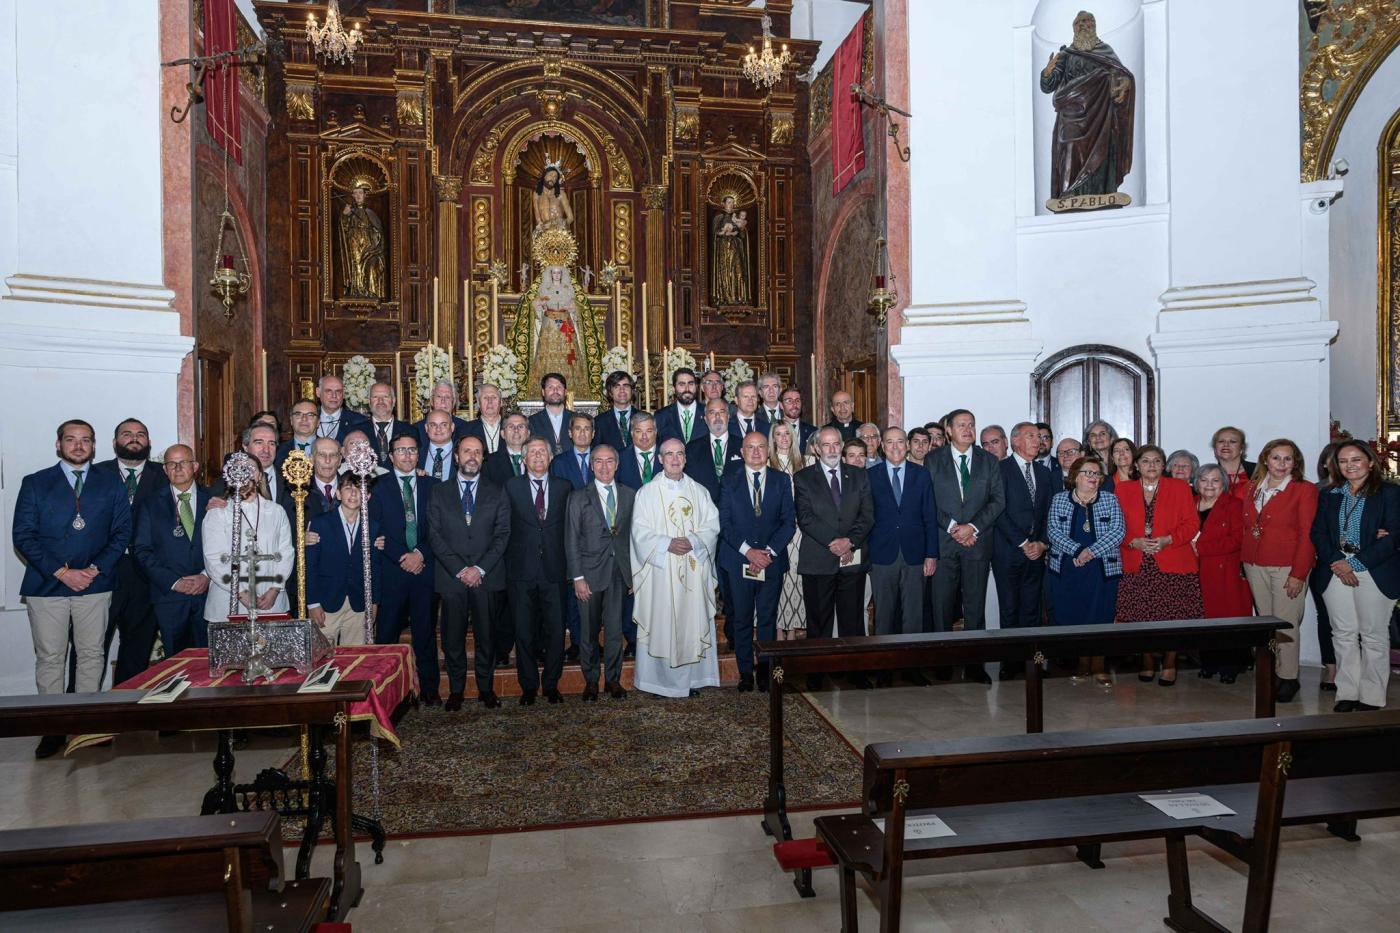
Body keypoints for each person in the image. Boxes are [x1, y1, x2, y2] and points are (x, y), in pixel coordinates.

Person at [14, 420, 131, 757]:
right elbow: (23, 535)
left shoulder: (110, 483)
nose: (78, 446)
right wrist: (62, 572)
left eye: (85, 440)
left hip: (95, 583)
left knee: (92, 654)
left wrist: (93, 569)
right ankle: (52, 726)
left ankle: (87, 723)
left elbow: (122, 532)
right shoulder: (36, 483)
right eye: (71, 440)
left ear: (94, 446)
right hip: (46, 585)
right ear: (58, 444)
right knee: (50, 657)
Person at [1311, 441, 1400, 711]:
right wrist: (1338, 562)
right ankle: (1347, 692)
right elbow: (1318, 533)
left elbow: (1394, 535)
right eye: (1343, 460)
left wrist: (1356, 564)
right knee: (1343, 634)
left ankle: (1372, 696)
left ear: (1370, 462)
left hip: (1374, 569)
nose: (1350, 465)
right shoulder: (1330, 494)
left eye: (1356, 459)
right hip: (1335, 568)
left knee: (1373, 634)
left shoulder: (1389, 493)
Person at [631, 438, 722, 697]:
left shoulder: (699, 492)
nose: (674, 459)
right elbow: (639, 533)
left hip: (693, 570)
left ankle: (691, 681)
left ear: (685, 458)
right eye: (668, 454)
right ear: (659, 459)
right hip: (661, 572)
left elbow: (712, 526)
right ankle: (660, 683)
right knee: (663, 624)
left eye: (679, 454)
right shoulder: (647, 493)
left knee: (691, 622)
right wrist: (667, 543)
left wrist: (693, 541)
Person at [427, 435, 510, 710]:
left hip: (487, 577)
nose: (472, 456)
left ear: (483, 457)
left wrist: (480, 568)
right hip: (452, 578)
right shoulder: (438, 492)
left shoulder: (497, 491)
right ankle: (456, 690)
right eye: (467, 451)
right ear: (456, 457)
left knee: (487, 637)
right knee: (453, 639)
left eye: (477, 451)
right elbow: (435, 535)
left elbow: (502, 535)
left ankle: (486, 689)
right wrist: (462, 569)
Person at [927, 409, 1005, 682]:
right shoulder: (932, 460)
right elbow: (928, 503)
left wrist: (971, 527)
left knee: (975, 605)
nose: (968, 429)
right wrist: (953, 528)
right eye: (961, 425)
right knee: (942, 606)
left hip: (977, 543)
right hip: (944, 543)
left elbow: (998, 501)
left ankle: (974, 664)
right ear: (948, 430)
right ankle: (942, 661)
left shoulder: (988, 461)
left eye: (971, 424)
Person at [1115, 445, 1203, 686]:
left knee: (1173, 617)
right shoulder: (1123, 490)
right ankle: (1147, 661)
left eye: (1156, 461)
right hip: (1138, 563)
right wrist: (1133, 542)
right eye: (1145, 461)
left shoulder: (1180, 487)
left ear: (1164, 466)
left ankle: (1170, 663)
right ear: (1136, 465)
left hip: (1173, 560)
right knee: (1141, 617)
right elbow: (1114, 526)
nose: (1151, 465)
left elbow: (1192, 523)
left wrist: (1168, 539)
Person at [1240, 438, 1317, 702]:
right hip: (1253, 563)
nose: (1281, 464)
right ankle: (1271, 669)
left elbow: (1308, 534)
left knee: (1286, 624)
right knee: (1266, 622)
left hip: (1286, 565)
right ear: (1265, 459)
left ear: (1295, 462)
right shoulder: (1253, 487)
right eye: (1276, 458)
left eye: (1288, 459)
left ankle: (1288, 677)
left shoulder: (1303, 489)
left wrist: (1299, 573)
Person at [718, 432, 795, 691]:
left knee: (767, 619)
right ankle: (744, 674)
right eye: (750, 447)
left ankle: (764, 672)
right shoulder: (729, 481)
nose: (756, 452)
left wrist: (768, 553)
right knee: (741, 619)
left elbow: (788, 523)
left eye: (761, 446)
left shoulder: (782, 480)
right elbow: (724, 523)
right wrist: (749, 552)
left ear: (768, 450)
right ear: (741, 451)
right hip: (738, 561)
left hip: (771, 563)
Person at [93, 418, 168, 682]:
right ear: (115, 443)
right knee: (91, 647)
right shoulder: (95, 474)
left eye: (140, 434)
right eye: (127, 434)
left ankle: (126, 710)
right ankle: (80, 709)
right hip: (103, 573)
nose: (134, 438)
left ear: (148, 442)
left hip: (146, 575)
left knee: (137, 647)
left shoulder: (166, 474)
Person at [794, 428, 874, 671]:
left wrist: (849, 541)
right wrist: (835, 543)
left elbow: (868, 515)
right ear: (817, 449)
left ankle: (853, 670)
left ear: (841, 446)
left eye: (835, 444)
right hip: (818, 560)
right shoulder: (803, 477)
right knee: (819, 623)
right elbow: (805, 518)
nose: (831, 449)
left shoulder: (859, 476)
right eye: (825, 445)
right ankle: (817, 670)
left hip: (852, 559)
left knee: (852, 620)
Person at [370, 431, 440, 705]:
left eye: (412, 450)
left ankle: (430, 689)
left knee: (425, 632)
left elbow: (439, 528)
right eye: (401, 450)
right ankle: (387, 694)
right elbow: (376, 532)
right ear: (390, 456)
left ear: (418, 453)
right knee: (387, 633)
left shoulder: (433, 486)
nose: (407, 455)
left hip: (424, 569)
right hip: (393, 571)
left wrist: (420, 553)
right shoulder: (378, 487)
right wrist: (402, 556)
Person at [1045, 456, 1125, 685]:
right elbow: (1053, 532)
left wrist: (1090, 552)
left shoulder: (1110, 500)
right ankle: (1082, 665)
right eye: (1087, 473)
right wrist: (1078, 551)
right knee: (1075, 617)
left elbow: (1118, 531)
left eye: (1096, 474)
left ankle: (1099, 666)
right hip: (1069, 569)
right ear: (1075, 476)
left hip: (1101, 569)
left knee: (1101, 617)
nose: (1092, 477)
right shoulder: (1059, 499)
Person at [504, 437, 571, 704]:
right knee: (524, 631)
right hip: (521, 571)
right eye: (532, 452)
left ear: (551, 457)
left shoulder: (564, 487)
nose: (538, 456)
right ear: (524, 459)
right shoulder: (510, 487)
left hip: (555, 570)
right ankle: (529, 686)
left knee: (556, 631)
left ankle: (552, 684)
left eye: (543, 452)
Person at [566, 444, 634, 701]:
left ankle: (613, 680)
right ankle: (592, 680)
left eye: (609, 461)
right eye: (598, 462)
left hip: (618, 574)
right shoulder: (578, 497)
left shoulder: (629, 495)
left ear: (617, 465)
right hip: (589, 576)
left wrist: (633, 574)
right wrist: (578, 578)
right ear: (591, 465)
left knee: (616, 630)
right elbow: (571, 540)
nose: (604, 466)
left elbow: (633, 538)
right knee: (589, 632)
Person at [131, 445, 211, 657]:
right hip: (170, 597)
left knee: (211, 660)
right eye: (171, 464)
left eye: (183, 462)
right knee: (176, 663)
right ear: (164, 470)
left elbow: (228, 547)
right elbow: (141, 550)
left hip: (209, 595)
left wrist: (206, 576)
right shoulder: (149, 504)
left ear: (194, 466)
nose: (177, 468)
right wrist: (175, 582)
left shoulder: (214, 500)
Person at [867, 428, 938, 667]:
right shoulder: (871, 475)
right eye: (890, 442)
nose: (895, 447)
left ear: (907, 445)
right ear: (882, 447)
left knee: (913, 614)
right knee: (884, 615)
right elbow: (865, 518)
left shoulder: (922, 475)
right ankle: (884, 665)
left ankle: (912, 665)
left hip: (915, 554)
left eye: (900, 442)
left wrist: (931, 554)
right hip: (881, 555)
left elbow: (930, 516)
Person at [993, 423, 1052, 676]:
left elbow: (1052, 512)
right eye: (1031, 436)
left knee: (1032, 610)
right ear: (1016, 441)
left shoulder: (1045, 472)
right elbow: (998, 510)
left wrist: (1042, 543)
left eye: (1039, 437)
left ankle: (1034, 662)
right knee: (1009, 609)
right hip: (1008, 551)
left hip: (1037, 552)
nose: (1037, 440)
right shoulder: (1000, 469)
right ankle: (1010, 663)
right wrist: (1023, 542)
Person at [202, 469, 295, 624]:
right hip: (228, 600)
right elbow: (214, 559)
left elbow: (286, 553)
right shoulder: (218, 513)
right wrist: (240, 592)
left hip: (271, 600)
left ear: (259, 475)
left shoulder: (276, 511)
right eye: (238, 470)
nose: (243, 474)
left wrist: (275, 589)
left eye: (249, 470)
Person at [1192, 463, 1253, 683]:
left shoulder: (1234, 505)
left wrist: (1201, 549)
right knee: (1204, 619)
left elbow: (1237, 539)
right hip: (1195, 571)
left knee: (1229, 619)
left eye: (1215, 480)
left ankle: (1231, 666)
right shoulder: (1190, 504)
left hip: (1225, 570)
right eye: (1204, 479)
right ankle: (1209, 663)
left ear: (1224, 484)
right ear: (1196, 482)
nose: (1209, 485)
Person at [306, 473, 381, 646]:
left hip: (359, 604)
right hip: (326, 602)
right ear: (338, 494)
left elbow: (375, 568)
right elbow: (311, 566)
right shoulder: (320, 523)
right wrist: (313, 603)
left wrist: (374, 602)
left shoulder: (373, 526)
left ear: (367, 496)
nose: (354, 493)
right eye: (348, 488)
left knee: (356, 660)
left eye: (359, 489)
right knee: (321, 656)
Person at [769, 421, 808, 639]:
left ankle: (792, 630)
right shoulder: (766, 463)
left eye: (787, 433)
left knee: (796, 579)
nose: (784, 438)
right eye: (778, 434)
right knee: (780, 580)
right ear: (773, 438)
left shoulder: (806, 462)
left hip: (801, 531)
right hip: (776, 531)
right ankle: (777, 630)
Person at [1309, 443, 1342, 692]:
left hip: (1365, 565)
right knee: (1327, 619)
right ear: (1324, 463)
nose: (1343, 464)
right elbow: (1314, 531)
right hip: (1324, 563)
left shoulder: (1371, 491)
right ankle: (1331, 669)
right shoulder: (1314, 492)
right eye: (1337, 459)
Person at [685, 398, 744, 506]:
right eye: (712, 412)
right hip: (703, 511)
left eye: (722, 412)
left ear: (728, 416)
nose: (717, 417)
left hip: (736, 510)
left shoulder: (743, 445)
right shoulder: (692, 449)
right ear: (705, 418)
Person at [594, 371, 644, 453]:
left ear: (632, 391)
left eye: (626, 386)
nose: (622, 390)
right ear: (610, 392)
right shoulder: (599, 422)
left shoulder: (644, 418)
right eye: (617, 386)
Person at [528, 372, 575, 455]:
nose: (555, 391)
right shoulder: (532, 421)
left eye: (559, 387)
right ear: (543, 392)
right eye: (550, 387)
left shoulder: (576, 419)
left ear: (565, 392)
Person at [366, 382, 412, 465]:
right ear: (369, 402)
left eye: (385, 396)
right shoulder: (358, 430)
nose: (380, 401)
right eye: (375, 397)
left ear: (393, 401)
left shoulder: (410, 430)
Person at [414, 380, 469, 448]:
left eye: (447, 397)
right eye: (439, 396)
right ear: (431, 401)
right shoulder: (416, 430)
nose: (443, 401)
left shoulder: (466, 429)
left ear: (453, 402)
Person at [654, 367, 701, 445]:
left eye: (691, 384)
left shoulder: (708, 412)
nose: (687, 389)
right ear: (674, 389)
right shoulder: (661, 416)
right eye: (682, 384)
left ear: (696, 387)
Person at [315, 374, 370, 442]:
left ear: (344, 394)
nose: (334, 396)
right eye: (328, 391)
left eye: (338, 391)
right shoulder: (307, 419)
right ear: (318, 392)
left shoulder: (360, 421)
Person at [550, 413, 596, 490]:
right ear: (570, 433)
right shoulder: (558, 462)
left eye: (587, 429)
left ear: (593, 434)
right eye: (577, 428)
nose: (582, 433)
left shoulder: (603, 459)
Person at [484, 412, 530, 485]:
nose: (516, 430)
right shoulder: (489, 463)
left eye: (521, 426)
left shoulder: (537, 459)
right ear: (502, 434)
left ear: (528, 434)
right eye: (511, 427)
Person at [617, 412, 659, 491]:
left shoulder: (667, 455)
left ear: (655, 432)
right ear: (632, 433)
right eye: (639, 431)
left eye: (649, 431)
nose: (644, 436)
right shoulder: (620, 458)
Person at [1211, 426, 1255, 500]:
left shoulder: (1259, 470)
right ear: (1215, 448)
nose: (1226, 445)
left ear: (1242, 448)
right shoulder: (1206, 475)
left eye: (1232, 442)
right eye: (1221, 441)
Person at [463, 383, 506, 455]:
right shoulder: (466, 429)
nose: (490, 401)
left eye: (494, 397)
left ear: (501, 402)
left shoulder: (511, 428)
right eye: (485, 398)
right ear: (479, 403)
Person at [277, 399, 320, 468]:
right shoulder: (278, 451)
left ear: (318, 422)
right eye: (298, 414)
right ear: (291, 420)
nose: (304, 419)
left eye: (310, 415)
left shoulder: (329, 449)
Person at [419, 410, 458, 484]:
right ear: (426, 428)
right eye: (433, 425)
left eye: (444, 425)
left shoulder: (463, 454)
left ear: (452, 427)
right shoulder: (416, 454)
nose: (438, 429)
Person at [778, 386, 817, 452]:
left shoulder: (813, 432)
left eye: (797, 400)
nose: (794, 404)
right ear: (781, 405)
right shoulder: (772, 430)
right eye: (789, 401)